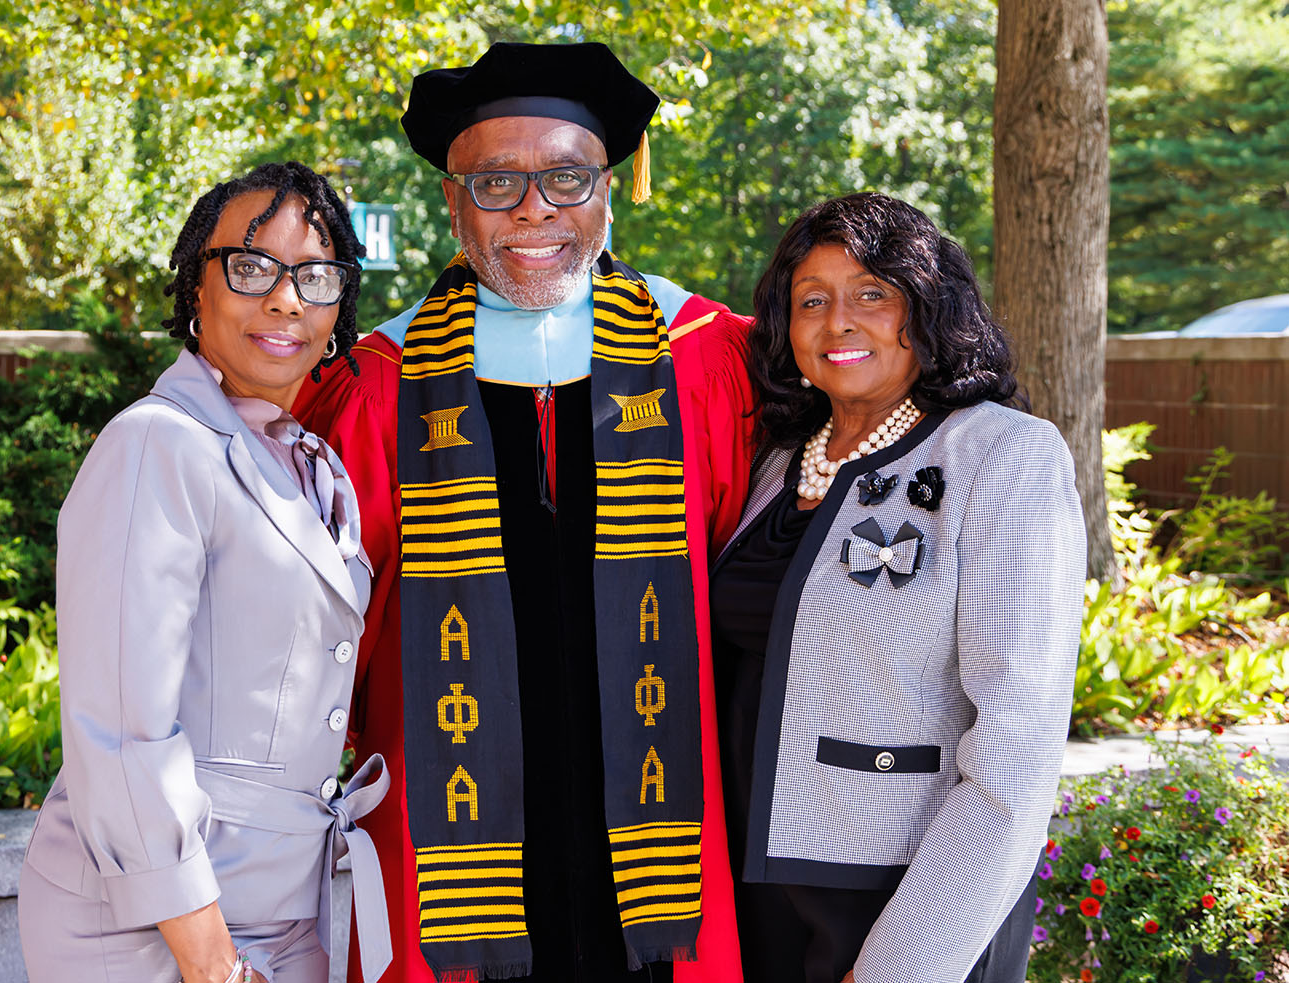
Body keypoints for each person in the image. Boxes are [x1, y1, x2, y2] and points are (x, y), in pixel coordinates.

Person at [293, 42, 751, 983]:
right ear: (454, 202)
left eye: (566, 176)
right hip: (446, 812)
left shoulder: (704, 353)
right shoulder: (378, 383)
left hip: (669, 814)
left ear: (610, 189)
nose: (534, 208)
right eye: (496, 181)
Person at [18, 162, 392, 983]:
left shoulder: (305, 461)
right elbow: (121, 730)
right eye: (251, 267)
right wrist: (214, 962)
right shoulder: (158, 443)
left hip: (280, 908)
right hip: (158, 923)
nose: (286, 298)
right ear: (196, 286)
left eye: (315, 275)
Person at [709, 191, 1085, 983]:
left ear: (927, 306)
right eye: (810, 300)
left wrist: (908, 962)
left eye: (870, 294)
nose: (837, 322)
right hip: (755, 883)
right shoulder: (777, 459)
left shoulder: (999, 455)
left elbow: (1016, 747)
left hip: (903, 893)